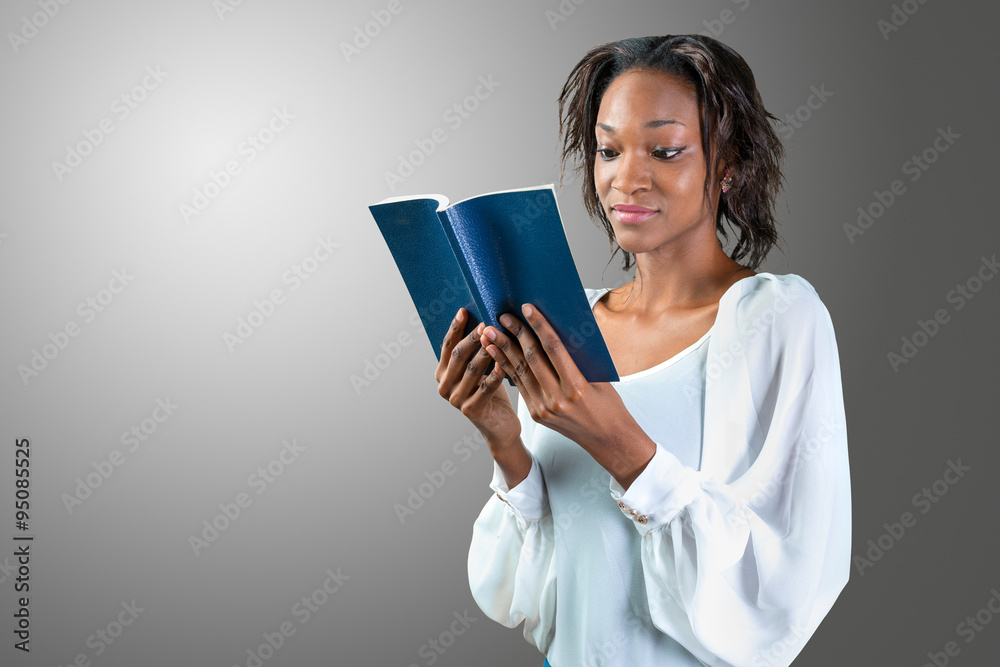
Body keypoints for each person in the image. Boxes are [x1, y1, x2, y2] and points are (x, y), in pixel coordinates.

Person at [434, 34, 850, 667]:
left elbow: (782, 586)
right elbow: (532, 593)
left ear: (729, 161)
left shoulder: (773, 319)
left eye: (665, 150)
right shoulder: (569, 324)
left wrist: (619, 443)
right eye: (607, 150)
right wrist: (503, 441)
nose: (626, 179)